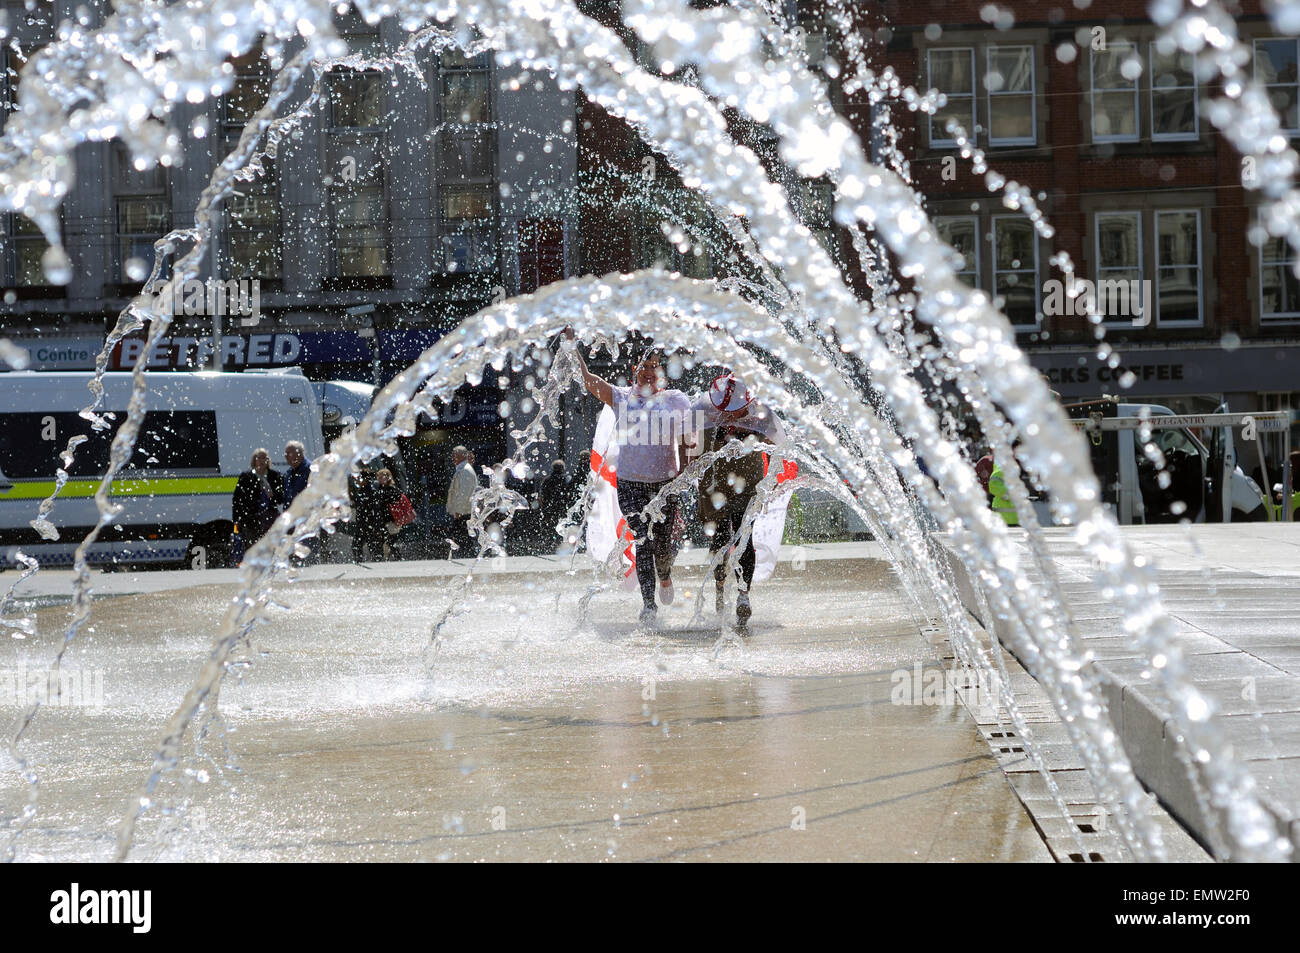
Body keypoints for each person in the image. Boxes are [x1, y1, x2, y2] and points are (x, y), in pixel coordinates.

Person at [568, 329, 691, 626]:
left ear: (661, 371)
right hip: (630, 482)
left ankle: (664, 574)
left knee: (662, 546)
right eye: (644, 367)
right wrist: (572, 348)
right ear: (633, 370)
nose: (649, 372)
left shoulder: (675, 399)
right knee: (643, 541)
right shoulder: (622, 398)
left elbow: (692, 436)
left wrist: (688, 467)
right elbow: (588, 381)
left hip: (665, 484)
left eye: (654, 366)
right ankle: (648, 604)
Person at [691, 373, 783, 627]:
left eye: (737, 411)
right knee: (719, 538)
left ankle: (743, 594)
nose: (731, 417)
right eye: (725, 411)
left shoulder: (762, 409)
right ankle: (721, 591)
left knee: (745, 536)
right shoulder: (702, 406)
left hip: (749, 478)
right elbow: (685, 436)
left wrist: (774, 477)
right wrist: (687, 466)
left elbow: (782, 444)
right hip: (714, 482)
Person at [232, 448, 285, 558]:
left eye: (264, 457)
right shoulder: (246, 477)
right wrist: (237, 520)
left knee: (271, 548)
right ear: (254, 460)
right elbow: (237, 499)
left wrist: (272, 495)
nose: (261, 460)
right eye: (258, 457)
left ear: (268, 460)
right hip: (251, 519)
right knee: (252, 548)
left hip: (270, 518)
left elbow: (281, 498)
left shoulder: (275, 476)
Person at [445, 445, 478, 556]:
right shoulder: (463, 469)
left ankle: (465, 557)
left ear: (462, 456)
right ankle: (465, 556)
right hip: (464, 512)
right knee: (462, 537)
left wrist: (459, 510)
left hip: (464, 512)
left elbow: (464, 493)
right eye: (452, 455)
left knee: (461, 538)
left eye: (455, 455)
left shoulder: (465, 470)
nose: (452, 458)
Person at [539, 459, 571, 546]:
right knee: (561, 524)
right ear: (563, 468)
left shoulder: (546, 480)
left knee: (549, 524)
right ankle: (560, 541)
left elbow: (542, 494)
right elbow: (568, 494)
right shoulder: (565, 479)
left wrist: (543, 505)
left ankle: (549, 541)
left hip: (549, 506)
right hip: (561, 506)